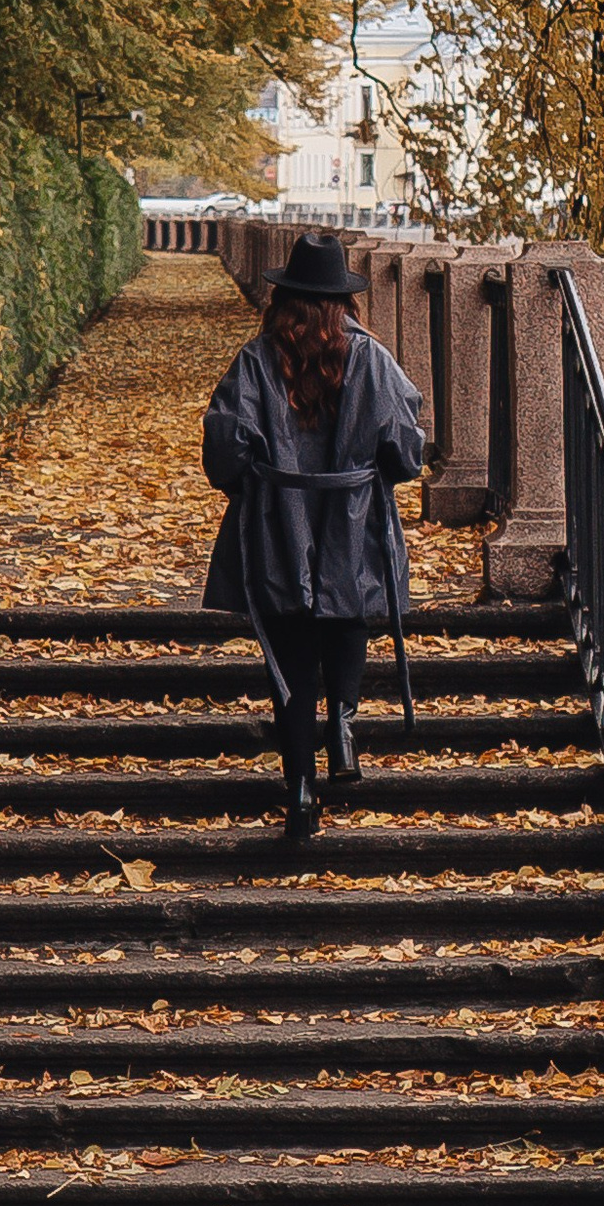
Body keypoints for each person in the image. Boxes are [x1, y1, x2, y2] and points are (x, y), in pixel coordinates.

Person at [201, 228, 428, 843]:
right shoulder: (373, 359)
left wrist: (260, 481)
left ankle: (301, 793)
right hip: (353, 525)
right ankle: (345, 727)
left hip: (279, 525)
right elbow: (407, 454)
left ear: (285, 298)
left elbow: (224, 451)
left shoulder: (256, 359)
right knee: (349, 618)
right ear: (344, 301)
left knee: (294, 664)